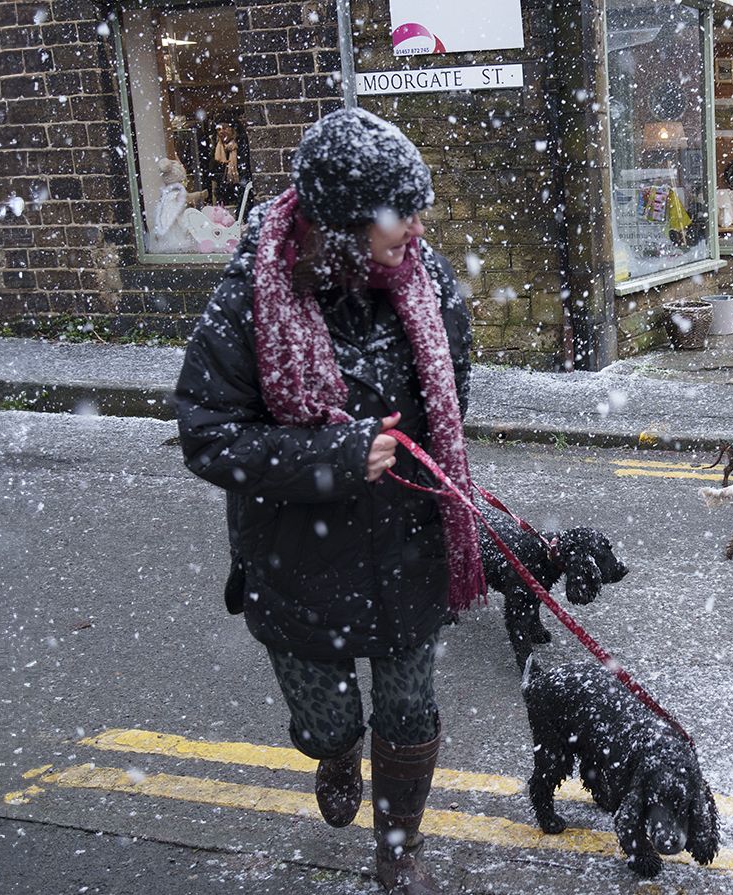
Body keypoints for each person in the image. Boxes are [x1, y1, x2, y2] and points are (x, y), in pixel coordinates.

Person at [174, 107, 479, 895]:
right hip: (299, 557)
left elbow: (455, 387)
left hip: (409, 547)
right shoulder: (251, 297)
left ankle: (399, 846)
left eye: (418, 208)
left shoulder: (427, 279)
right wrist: (333, 458)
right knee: (329, 720)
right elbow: (208, 434)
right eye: (400, 213)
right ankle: (336, 748)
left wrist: (423, 459)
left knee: (410, 712)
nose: (418, 226)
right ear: (342, 228)